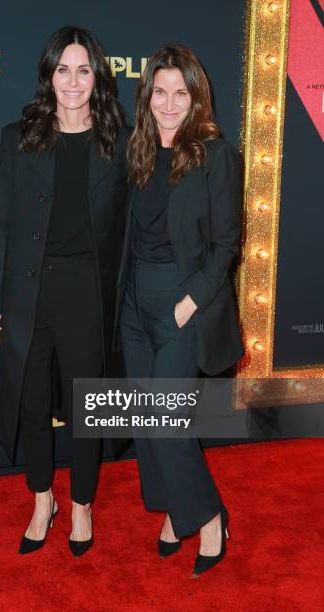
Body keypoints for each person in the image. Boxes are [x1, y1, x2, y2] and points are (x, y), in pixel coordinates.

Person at [0, 25, 129, 556]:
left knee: (88, 407)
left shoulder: (119, 142)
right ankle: (43, 500)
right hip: (29, 290)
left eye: (83, 69)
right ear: (49, 75)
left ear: (97, 78)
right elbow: (0, 224)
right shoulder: (18, 139)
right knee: (32, 403)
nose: (72, 80)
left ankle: (82, 505)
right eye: (63, 69)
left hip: (88, 292)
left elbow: (132, 228)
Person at [116, 43, 244, 577]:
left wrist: (188, 303)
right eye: (160, 92)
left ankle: (210, 516)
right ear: (147, 96)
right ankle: (175, 511)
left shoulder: (216, 155)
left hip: (182, 301)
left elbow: (226, 244)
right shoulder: (137, 151)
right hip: (133, 304)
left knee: (166, 423)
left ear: (196, 98)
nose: (170, 103)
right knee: (145, 424)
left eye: (181, 93)